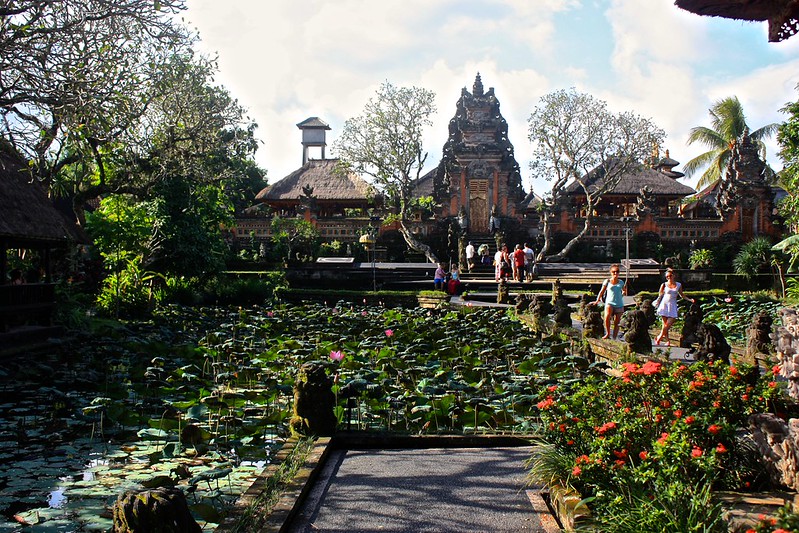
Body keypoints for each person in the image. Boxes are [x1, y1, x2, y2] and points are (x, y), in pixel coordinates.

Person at [654, 268, 695, 346]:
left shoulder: (678, 285)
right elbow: (660, 295)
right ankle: (667, 341)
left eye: (670, 276)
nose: (668, 278)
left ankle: (658, 337)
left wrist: (690, 300)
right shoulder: (664, 285)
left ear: (673, 276)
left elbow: (682, 295)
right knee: (664, 324)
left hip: (672, 306)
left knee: (668, 324)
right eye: (667, 277)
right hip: (664, 305)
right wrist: (657, 303)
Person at [593, 264, 627, 340]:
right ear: (610, 272)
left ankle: (614, 337)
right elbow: (601, 291)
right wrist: (597, 300)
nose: (615, 273)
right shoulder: (607, 281)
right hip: (609, 303)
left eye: (617, 272)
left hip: (619, 303)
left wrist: (623, 293)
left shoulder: (621, 282)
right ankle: (607, 333)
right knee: (607, 317)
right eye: (613, 272)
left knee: (617, 322)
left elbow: (624, 290)